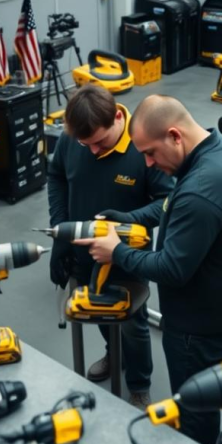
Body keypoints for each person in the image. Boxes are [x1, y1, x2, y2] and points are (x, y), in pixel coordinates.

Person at [74, 94, 222, 444]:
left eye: (149, 152)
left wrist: (117, 251)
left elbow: (171, 268)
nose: (147, 163)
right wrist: (131, 219)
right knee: (210, 393)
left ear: (174, 136)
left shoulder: (199, 190)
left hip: (197, 328)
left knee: (195, 411)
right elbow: (170, 206)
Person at [46, 85, 173, 409]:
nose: (91, 151)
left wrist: (131, 218)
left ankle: (139, 383)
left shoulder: (143, 147)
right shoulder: (71, 139)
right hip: (82, 251)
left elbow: (169, 202)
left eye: (99, 142)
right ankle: (113, 353)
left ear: (118, 117)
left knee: (133, 323)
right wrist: (61, 229)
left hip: (128, 255)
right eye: (84, 144)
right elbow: (57, 176)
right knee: (97, 309)